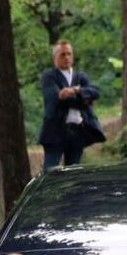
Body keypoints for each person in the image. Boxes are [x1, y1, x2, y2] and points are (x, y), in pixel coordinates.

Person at [38, 39, 106, 170]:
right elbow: (57, 98)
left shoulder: (80, 76)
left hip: (77, 131)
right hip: (55, 130)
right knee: (50, 172)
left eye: (69, 54)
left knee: (73, 173)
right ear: (55, 57)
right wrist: (85, 100)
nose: (67, 57)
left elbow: (96, 92)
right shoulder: (49, 76)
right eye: (62, 54)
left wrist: (76, 90)